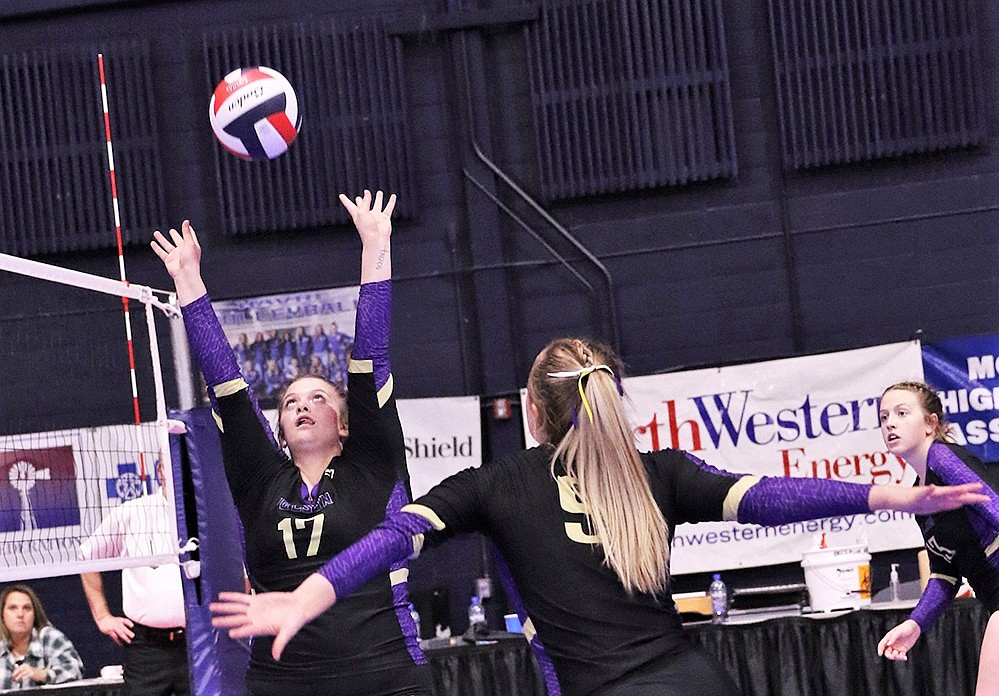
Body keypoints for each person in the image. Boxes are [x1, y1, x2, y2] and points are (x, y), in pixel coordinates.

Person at [209, 338, 988, 696]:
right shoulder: (658, 471)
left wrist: (306, 594)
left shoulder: (498, 482)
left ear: (533, 415)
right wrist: (883, 496)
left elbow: (392, 538)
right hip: (695, 681)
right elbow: (766, 498)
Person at [151, 189, 431, 695]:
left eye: (318, 397)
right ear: (279, 428)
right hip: (284, 682)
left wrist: (375, 246)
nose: (302, 405)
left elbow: (371, 354)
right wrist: (188, 280)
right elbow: (227, 386)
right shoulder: (261, 479)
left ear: (345, 424)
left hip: (384, 677)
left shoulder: (372, 463)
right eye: (290, 401)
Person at [875, 381, 999, 696]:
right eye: (884, 416)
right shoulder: (924, 499)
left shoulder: (942, 459)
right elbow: (945, 576)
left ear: (931, 423)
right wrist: (915, 623)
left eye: (902, 413)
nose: (890, 422)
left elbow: (994, 507)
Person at [78, 460, 189, 696]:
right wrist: (102, 616)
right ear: (160, 470)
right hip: (147, 648)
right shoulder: (134, 512)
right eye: (172, 463)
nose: (180, 468)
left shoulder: (207, 514)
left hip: (198, 641)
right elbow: (87, 555)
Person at [0, 584, 83, 689]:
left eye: (26, 608)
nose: (20, 614)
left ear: (35, 614)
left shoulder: (49, 638)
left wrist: (42, 675)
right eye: (13, 608)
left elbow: (75, 670)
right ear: (2, 615)